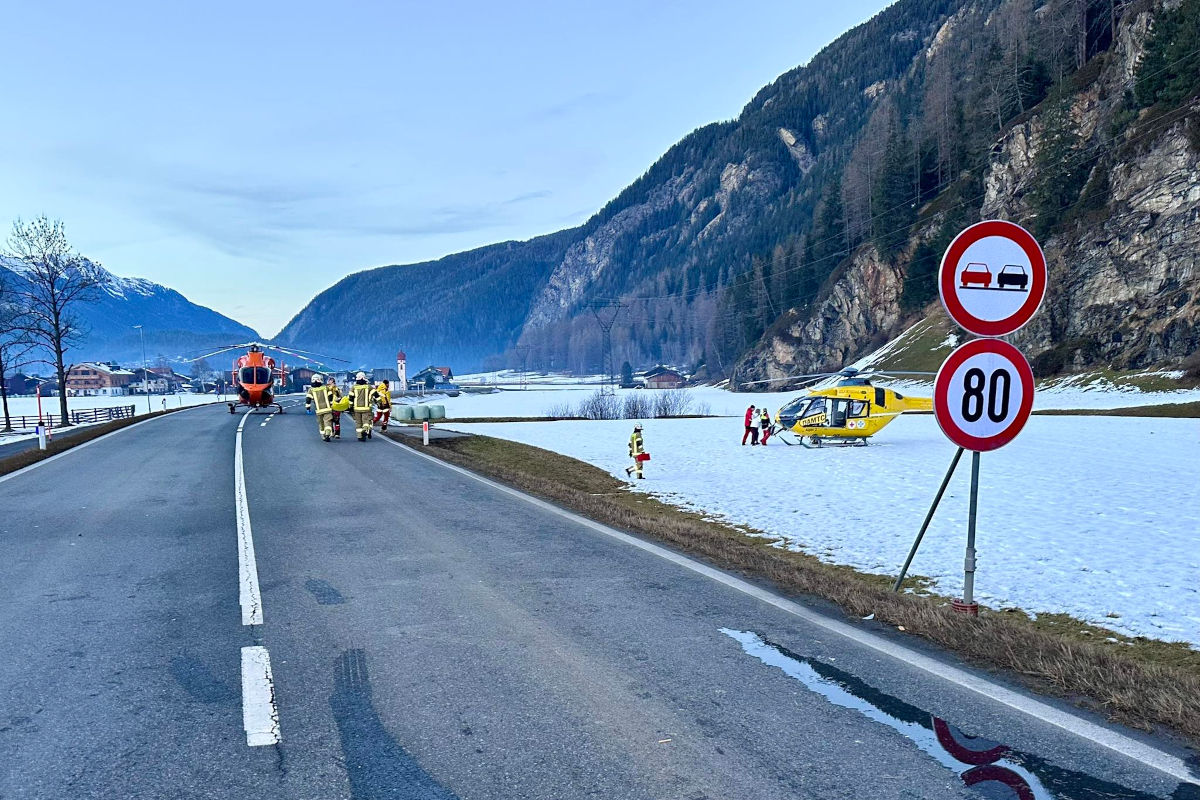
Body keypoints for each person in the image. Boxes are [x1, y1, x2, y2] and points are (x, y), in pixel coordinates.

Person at [304, 374, 335, 441]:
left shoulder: (311, 390)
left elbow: (308, 399)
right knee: (328, 422)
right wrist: (331, 404)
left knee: (321, 423)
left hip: (319, 410)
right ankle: (328, 433)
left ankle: (323, 436)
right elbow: (330, 396)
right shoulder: (326, 388)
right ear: (321, 380)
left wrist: (308, 408)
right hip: (327, 409)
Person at [347, 372, 375, 441]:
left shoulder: (353, 387)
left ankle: (360, 436)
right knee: (366, 421)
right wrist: (380, 402)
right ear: (364, 378)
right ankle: (365, 430)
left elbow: (350, 398)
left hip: (356, 409)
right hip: (366, 408)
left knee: (358, 422)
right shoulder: (368, 387)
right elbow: (376, 395)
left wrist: (350, 406)